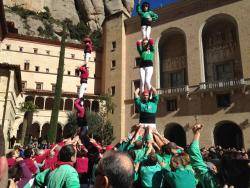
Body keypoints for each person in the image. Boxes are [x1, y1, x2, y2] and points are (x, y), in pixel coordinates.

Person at [189, 124, 219, 188]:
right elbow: (194, 151)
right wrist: (197, 133)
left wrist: (197, 134)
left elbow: (193, 151)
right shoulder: (206, 172)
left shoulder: (205, 174)